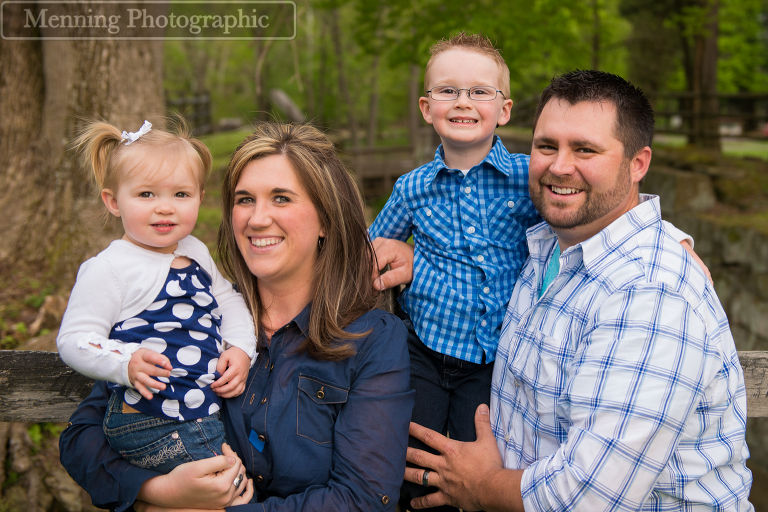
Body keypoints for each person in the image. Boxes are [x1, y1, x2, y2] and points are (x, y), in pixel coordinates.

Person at [368, 33, 697, 511]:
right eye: (448, 91)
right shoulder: (413, 187)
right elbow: (371, 248)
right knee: (409, 452)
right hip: (426, 346)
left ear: (504, 110)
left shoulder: (532, 176)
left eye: (480, 91)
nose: (463, 102)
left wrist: (675, 239)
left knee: (469, 456)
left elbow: (605, 212)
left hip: (490, 359)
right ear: (426, 107)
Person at [59, 122, 414, 512]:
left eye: (281, 198)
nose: (257, 219)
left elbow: (362, 499)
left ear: (326, 220)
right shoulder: (189, 310)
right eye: (245, 200)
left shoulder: (373, 339)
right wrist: (159, 493)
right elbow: (81, 438)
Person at [57, 119, 257, 473]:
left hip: (199, 415)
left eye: (181, 194)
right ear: (113, 201)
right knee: (230, 486)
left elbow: (228, 301)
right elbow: (74, 340)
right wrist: (124, 361)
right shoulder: (110, 267)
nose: (165, 207)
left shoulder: (195, 251)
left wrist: (240, 347)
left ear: (199, 198)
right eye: (146, 194)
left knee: (228, 486)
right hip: (147, 419)